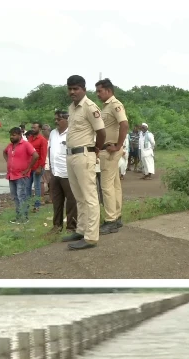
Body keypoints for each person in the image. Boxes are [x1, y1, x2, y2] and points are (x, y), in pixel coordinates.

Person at [62, 74, 105, 250]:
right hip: (71, 155)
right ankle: (81, 230)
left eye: (76, 88)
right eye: (70, 89)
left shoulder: (90, 107)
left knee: (90, 197)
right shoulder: (72, 108)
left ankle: (91, 237)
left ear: (83, 90)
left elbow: (101, 132)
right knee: (78, 196)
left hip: (84, 155)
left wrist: (96, 149)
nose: (72, 92)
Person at [95, 78, 129, 234]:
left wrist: (118, 145)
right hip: (108, 149)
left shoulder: (115, 105)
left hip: (110, 150)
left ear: (108, 91)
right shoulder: (106, 106)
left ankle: (110, 220)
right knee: (114, 185)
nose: (97, 94)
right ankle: (116, 216)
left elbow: (124, 124)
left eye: (99, 91)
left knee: (106, 186)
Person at [47, 111, 78, 234]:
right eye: (55, 119)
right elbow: (50, 150)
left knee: (71, 201)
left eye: (59, 119)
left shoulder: (72, 133)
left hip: (68, 173)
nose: (56, 121)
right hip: (55, 173)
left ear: (67, 120)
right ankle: (57, 226)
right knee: (56, 201)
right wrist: (49, 168)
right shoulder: (53, 133)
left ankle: (71, 227)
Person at [2, 126, 38, 225]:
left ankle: (24, 217)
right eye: (10, 135)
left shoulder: (26, 145)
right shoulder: (10, 146)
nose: (11, 137)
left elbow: (35, 156)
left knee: (21, 196)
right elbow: (4, 153)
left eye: (14, 135)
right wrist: (8, 162)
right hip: (11, 175)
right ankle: (18, 217)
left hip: (21, 176)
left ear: (19, 135)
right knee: (15, 197)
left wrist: (28, 168)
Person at [26, 123, 48, 212]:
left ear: (39, 128)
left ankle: (37, 205)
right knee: (27, 186)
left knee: (37, 187)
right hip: (30, 167)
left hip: (37, 167)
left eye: (34, 127)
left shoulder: (42, 140)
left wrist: (40, 167)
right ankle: (26, 205)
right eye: (32, 127)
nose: (33, 129)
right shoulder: (30, 139)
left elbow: (43, 155)